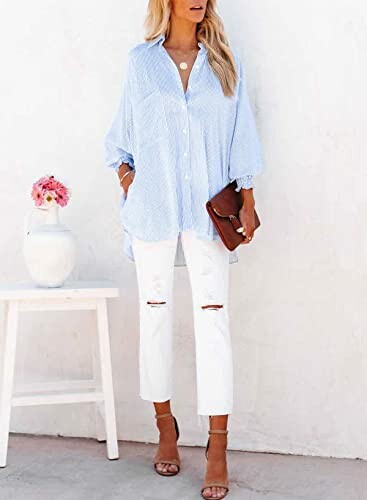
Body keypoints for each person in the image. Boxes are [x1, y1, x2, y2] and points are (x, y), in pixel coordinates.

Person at [104, 1, 263, 498]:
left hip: (209, 212)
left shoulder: (223, 62)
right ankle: (165, 429)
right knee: (155, 313)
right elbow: (121, 138)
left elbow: (243, 134)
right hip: (153, 210)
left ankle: (217, 446)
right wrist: (131, 180)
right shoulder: (141, 62)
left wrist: (250, 196)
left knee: (213, 317)